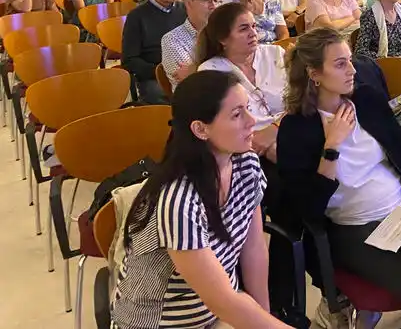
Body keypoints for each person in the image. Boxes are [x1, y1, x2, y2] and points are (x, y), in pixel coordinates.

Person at [277, 28, 401, 329]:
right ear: (314, 74)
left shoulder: (366, 100)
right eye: (340, 63)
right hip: (354, 229)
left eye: (350, 60)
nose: (353, 69)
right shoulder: (296, 128)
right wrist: (331, 148)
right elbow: (306, 209)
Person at [111, 70, 288, 329]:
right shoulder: (178, 200)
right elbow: (223, 301)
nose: (252, 121)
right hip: (157, 322)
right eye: (237, 114)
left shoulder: (246, 163)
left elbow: (253, 250)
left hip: (217, 312)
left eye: (247, 108)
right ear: (200, 129)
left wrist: (265, 316)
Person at [197, 3, 287, 160]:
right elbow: (222, 126)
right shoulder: (211, 71)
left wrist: (275, 129)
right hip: (246, 149)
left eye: (254, 26)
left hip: (290, 129)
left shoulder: (275, 54)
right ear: (223, 39)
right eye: (244, 29)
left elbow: (302, 99)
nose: (253, 33)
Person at [122, 0, 187, 103]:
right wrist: (162, 73)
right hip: (155, 75)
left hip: (187, 70)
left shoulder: (186, 9)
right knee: (160, 96)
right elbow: (129, 60)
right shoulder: (136, 16)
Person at [161, 0, 220, 90]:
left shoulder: (223, 31)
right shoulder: (172, 39)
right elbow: (196, 81)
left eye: (216, 0)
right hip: (195, 101)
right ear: (188, 3)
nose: (213, 6)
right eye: (206, 0)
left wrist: (195, 68)